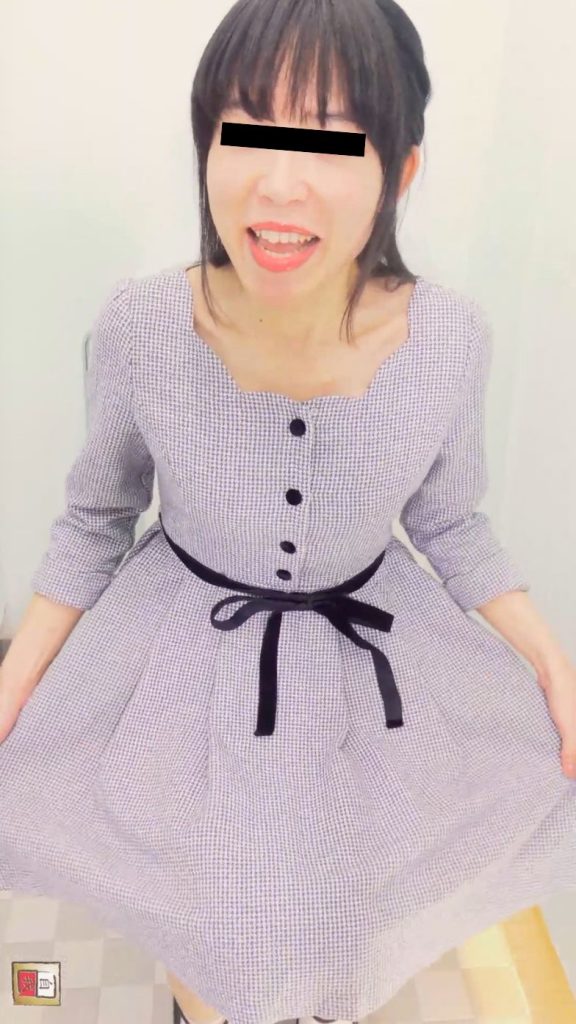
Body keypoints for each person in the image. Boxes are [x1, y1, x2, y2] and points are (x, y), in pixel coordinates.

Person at [1, 2, 574, 1024]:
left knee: (350, 893)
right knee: (195, 906)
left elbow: (453, 523)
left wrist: (551, 664)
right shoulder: (142, 325)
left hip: (369, 660)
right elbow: (95, 519)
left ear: (400, 170)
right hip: (175, 658)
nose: (278, 182)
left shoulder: (450, 338)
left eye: (331, 141)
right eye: (246, 130)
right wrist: (14, 689)